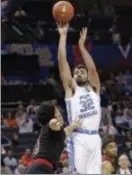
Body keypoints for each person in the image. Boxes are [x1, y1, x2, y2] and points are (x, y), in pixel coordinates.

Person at [57, 23, 101, 174]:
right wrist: (63, 37)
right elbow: (63, 64)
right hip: (79, 137)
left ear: (87, 75)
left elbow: (93, 69)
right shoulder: (71, 90)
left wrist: (82, 48)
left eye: (83, 71)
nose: (80, 72)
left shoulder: (94, 89)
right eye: (77, 71)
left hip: (95, 137)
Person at [24, 100, 80, 174]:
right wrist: (54, 121)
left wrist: (73, 126)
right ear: (51, 115)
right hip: (39, 168)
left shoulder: (52, 132)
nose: (59, 113)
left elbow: (65, 132)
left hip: (36, 168)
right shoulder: (50, 126)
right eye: (56, 112)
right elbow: (52, 123)